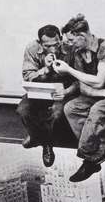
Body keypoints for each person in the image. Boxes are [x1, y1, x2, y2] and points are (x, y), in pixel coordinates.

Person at [52, 14, 105, 182]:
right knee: (71, 108)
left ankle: (90, 160)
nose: (70, 44)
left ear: (82, 36)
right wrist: (104, 93)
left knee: (97, 110)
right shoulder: (79, 52)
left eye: (72, 40)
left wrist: (69, 70)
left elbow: (99, 81)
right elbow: (84, 88)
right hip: (104, 93)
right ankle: (100, 147)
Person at [17, 24, 77, 167]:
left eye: (56, 44)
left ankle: (47, 145)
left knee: (56, 114)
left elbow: (79, 79)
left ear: (61, 39)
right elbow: (28, 76)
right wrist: (46, 69)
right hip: (38, 90)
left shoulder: (71, 48)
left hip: (63, 91)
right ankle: (35, 136)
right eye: (48, 46)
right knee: (23, 110)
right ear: (40, 43)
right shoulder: (32, 49)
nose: (53, 49)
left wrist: (66, 92)